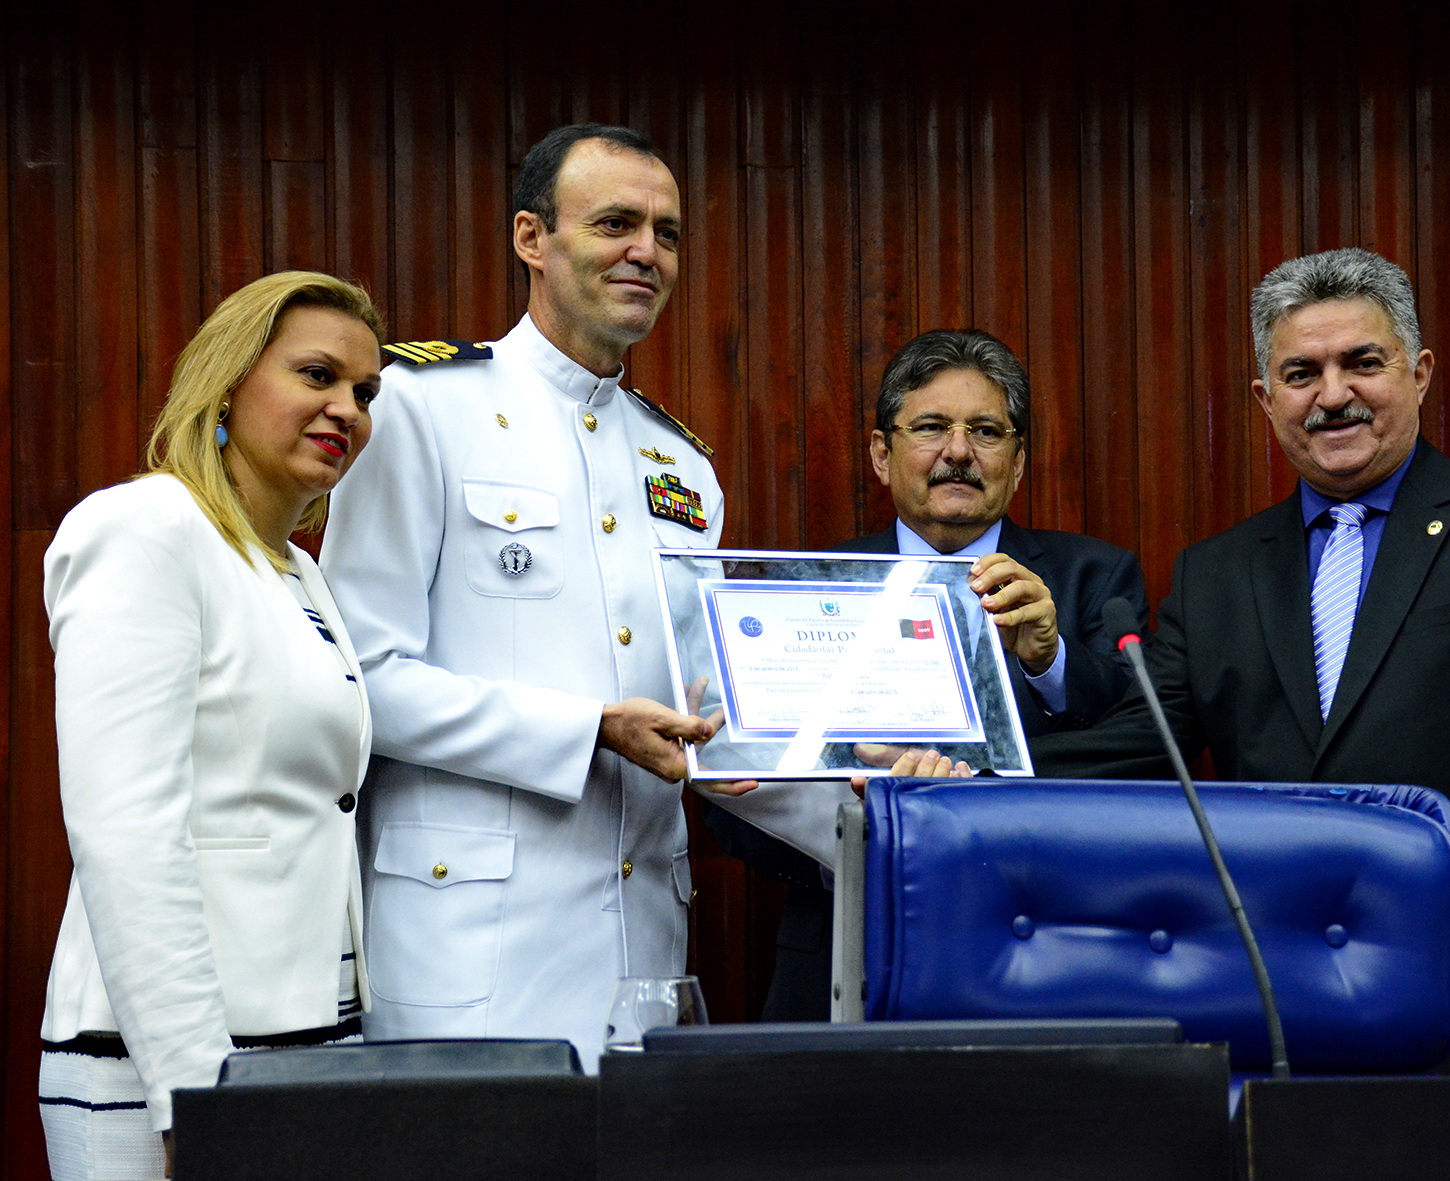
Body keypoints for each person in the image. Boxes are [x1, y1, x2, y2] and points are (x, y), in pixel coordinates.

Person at [1033, 247, 1450, 1138]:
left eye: (1362, 364)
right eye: (1301, 373)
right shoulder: (1219, 573)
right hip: (1291, 1012)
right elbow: (1132, 746)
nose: (1331, 394)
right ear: (1267, 402)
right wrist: (950, 772)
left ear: (1417, 375)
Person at [320, 123, 829, 1067]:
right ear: (531, 240)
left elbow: (707, 713)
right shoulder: (420, 407)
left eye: (668, 233)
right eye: (615, 223)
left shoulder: (680, 464)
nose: (647, 251)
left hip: (643, 953)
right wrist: (586, 727)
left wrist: (873, 786)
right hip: (466, 948)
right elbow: (364, 680)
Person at [38, 271, 383, 1179]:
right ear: (228, 384)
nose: (345, 407)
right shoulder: (144, 529)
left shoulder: (299, 573)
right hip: (167, 1070)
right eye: (316, 374)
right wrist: (196, 1090)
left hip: (313, 1047)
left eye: (364, 391)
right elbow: (125, 831)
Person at [709, 328, 1152, 1020]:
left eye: (986, 431)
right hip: (839, 946)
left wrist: (1048, 658)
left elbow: (1140, 750)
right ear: (882, 455)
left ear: (1019, 460)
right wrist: (848, 832)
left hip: (1040, 945)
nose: (957, 452)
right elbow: (733, 809)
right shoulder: (801, 589)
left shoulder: (1096, 578)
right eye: (931, 427)